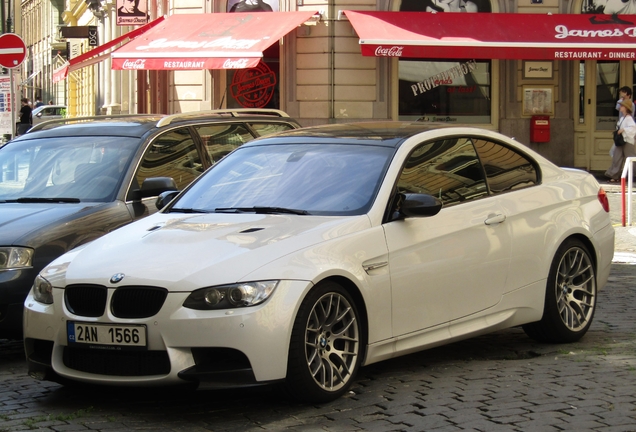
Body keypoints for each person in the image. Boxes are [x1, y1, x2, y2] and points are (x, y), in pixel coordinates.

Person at [605, 99, 636, 182]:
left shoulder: (628, 118)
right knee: (617, 157)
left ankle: (632, 176)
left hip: (627, 141)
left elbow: (633, 128)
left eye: (622, 106)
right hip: (621, 141)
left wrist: (623, 130)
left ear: (626, 108)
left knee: (630, 158)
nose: (620, 107)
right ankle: (614, 175)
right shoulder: (623, 117)